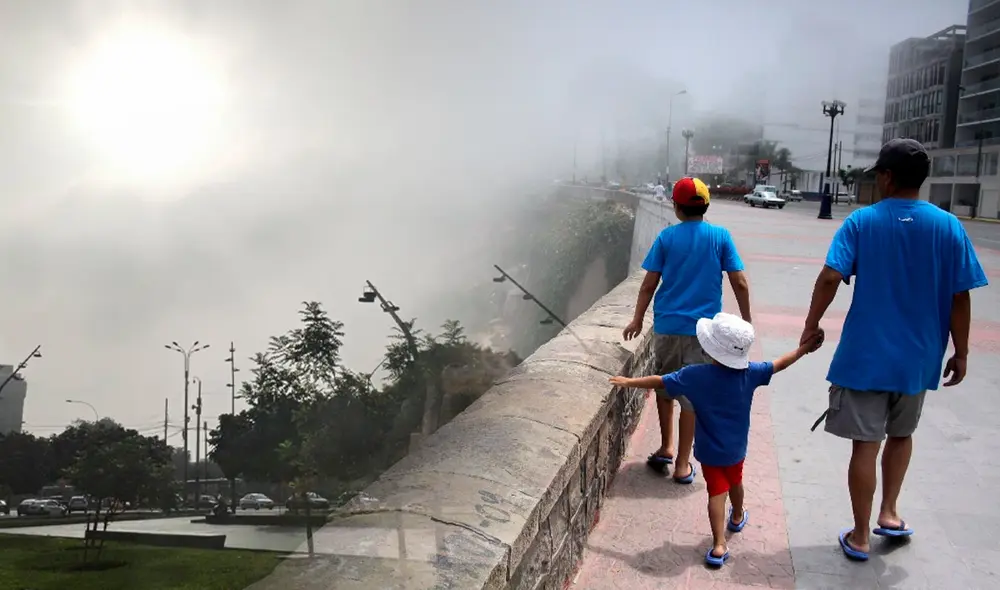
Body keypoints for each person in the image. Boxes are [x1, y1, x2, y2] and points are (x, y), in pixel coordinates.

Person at [800, 138, 989, 562]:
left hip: (866, 357)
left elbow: (831, 277)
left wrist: (810, 326)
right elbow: (961, 296)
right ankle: (889, 512)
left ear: (886, 176)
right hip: (919, 357)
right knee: (901, 435)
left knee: (866, 445)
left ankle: (862, 535)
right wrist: (960, 352)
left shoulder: (862, 222)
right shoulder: (948, 226)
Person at [611, 313, 824, 566]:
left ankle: (719, 545)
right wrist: (803, 349)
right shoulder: (751, 373)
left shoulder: (695, 375)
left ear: (711, 349)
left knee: (716, 493)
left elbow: (660, 380)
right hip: (736, 449)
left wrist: (629, 381)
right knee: (736, 481)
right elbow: (779, 364)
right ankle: (737, 517)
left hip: (709, 451)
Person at [622, 176, 752, 484]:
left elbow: (649, 284)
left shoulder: (667, 238)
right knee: (693, 397)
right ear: (706, 205)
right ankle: (682, 463)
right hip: (704, 334)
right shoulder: (721, 237)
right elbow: (740, 282)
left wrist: (637, 319)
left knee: (666, 388)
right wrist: (745, 321)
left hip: (668, 326)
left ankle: (665, 446)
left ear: (676, 207)